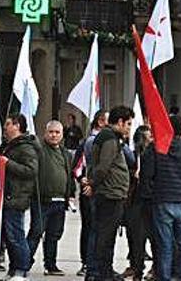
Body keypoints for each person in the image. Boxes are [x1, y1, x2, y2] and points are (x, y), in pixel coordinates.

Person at [142, 114, 181, 281]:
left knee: (165, 245)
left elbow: (147, 175)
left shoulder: (157, 148)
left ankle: (164, 277)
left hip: (163, 200)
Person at [86, 106, 132, 281]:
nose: (128, 127)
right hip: (109, 195)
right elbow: (103, 167)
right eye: (127, 123)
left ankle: (104, 270)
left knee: (108, 235)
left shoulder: (111, 137)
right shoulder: (109, 138)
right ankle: (100, 273)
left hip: (113, 194)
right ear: (119, 122)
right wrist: (93, 183)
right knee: (105, 236)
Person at [26, 120, 75, 276]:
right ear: (45, 133)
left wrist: (71, 194)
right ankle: (23, 263)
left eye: (57, 132)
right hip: (42, 201)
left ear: (62, 134)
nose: (54, 135)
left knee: (54, 235)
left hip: (60, 201)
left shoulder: (65, 153)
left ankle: (51, 264)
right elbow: (31, 141)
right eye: (51, 132)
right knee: (36, 232)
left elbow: (69, 175)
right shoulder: (39, 149)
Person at [0, 114, 38, 281]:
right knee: (9, 236)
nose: (5, 127)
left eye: (7, 124)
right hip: (7, 196)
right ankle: (13, 270)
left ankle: (21, 269)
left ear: (17, 126)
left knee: (16, 236)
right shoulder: (10, 146)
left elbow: (30, 171)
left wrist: (7, 163)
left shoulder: (25, 148)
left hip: (16, 197)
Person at [77, 111, 108, 278]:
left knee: (96, 229)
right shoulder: (90, 141)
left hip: (98, 189)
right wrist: (83, 179)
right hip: (90, 190)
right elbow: (78, 165)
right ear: (101, 122)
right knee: (90, 228)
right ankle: (88, 263)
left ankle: (94, 264)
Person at [126, 125, 155, 281]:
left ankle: (154, 268)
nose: (149, 140)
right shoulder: (132, 155)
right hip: (135, 202)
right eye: (146, 137)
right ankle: (136, 268)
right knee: (137, 239)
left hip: (150, 201)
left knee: (154, 238)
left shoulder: (155, 155)